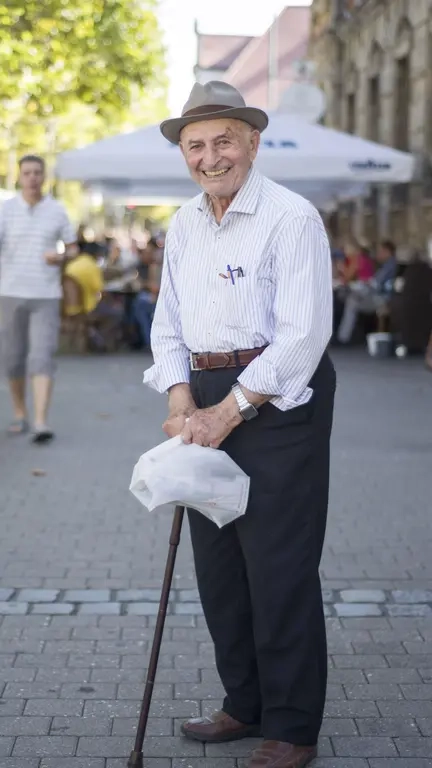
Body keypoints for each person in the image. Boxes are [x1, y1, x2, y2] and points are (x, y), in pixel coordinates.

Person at [143, 81, 336, 768]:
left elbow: (305, 334)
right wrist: (178, 398)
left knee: (278, 565)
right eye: (195, 145)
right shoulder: (185, 222)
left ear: (253, 141)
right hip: (204, 391)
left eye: (223, 140)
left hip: (278, 398)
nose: (210, 156)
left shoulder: (291, 217)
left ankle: (292, 725)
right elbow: (169, 322)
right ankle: (244, 702)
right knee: (220, 567)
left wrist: (230, 410)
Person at [0, 155, 77, 442]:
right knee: (12, 359)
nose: (32, 177)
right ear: (19, 177)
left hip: (46, 295)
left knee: (41, 357)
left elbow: (73, 249)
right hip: (9, 293)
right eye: (27, 172)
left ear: (44, 177)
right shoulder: (5, 210)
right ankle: (20, 414)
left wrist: (60, 256)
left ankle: (41, 422)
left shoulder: (57, 210)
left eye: (37, 172)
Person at [337, 239, 397, 344]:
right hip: (378, 296)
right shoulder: (387, 264)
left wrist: (363, 284)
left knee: (352, 301)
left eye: (381, 251)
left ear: (387, 251)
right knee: (352, 299)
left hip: (382, 299)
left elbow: (376, 284)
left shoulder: (390, 265)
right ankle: (344, 336)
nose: (378, 254)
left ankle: (343, 338)